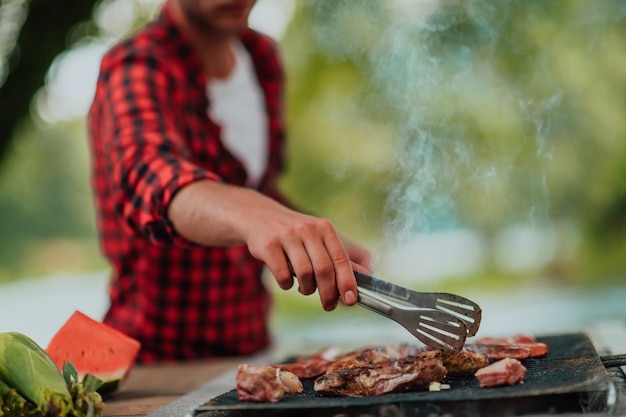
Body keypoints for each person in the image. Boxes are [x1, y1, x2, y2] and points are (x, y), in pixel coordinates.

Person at [86, 0, 372, 363]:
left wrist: (308, 233)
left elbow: (254, 188)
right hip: (153, 363)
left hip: (250, 351)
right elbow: (150, 177)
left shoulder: (262, 57)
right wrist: (253, 215)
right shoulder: (136, 66)